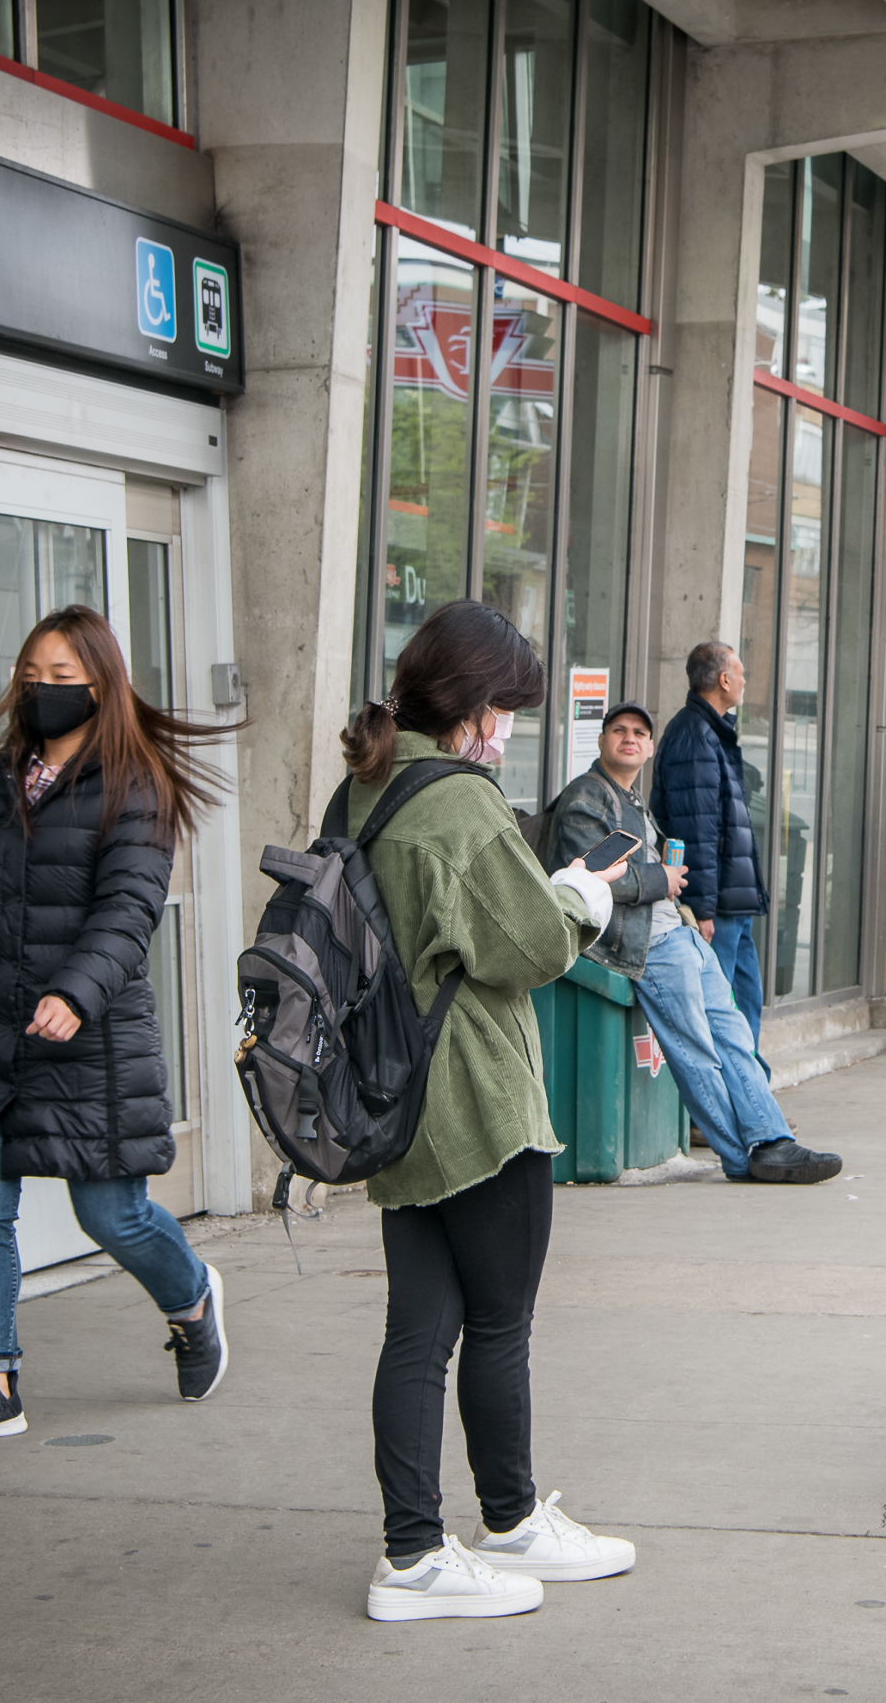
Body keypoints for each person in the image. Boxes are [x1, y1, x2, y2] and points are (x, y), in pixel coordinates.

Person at [337, 600, 638, 1622]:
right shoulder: (458, 803)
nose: (508, 728)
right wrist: (582, 898)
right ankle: (509, 1522)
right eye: (505, 707)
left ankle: (412, 1554)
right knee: (500, 1323)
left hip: (394, 1092)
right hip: (477, 1094)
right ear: (469, 703)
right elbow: (530, 946)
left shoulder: (366, 785)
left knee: (416, 1331)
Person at [0, 606, 234, 1447]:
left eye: (62, 678)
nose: (41, 691)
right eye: (31, 675)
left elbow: (129, 910)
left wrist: (77, 992)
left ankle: (193, 1298)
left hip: (86, 1032)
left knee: (110, 1214)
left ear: (102, 684)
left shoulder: (136, 782)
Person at [541, 704, 840, 1184]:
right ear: (601, 741)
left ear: (651, 747)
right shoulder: (587, 798)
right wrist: (662, 878)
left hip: (676, 936)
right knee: (695, 1049)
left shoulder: (632, 799)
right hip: (643, 944)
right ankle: (741, 1158)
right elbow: (583, 881)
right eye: (619, 731)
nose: (630, 738)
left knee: (734, 1036)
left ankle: (773, 1140)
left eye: (640, 733)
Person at [654, 641, 771, 1038]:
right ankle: (735, 1094)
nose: (743, 682)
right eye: (741, 674)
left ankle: (749, 1092)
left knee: (747, 1000)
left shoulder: (711, 732)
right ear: (724, 680)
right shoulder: (695, 735)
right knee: (723, 1012)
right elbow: (696, 831)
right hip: (716, 906)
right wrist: (702, 909)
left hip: (731, 901)